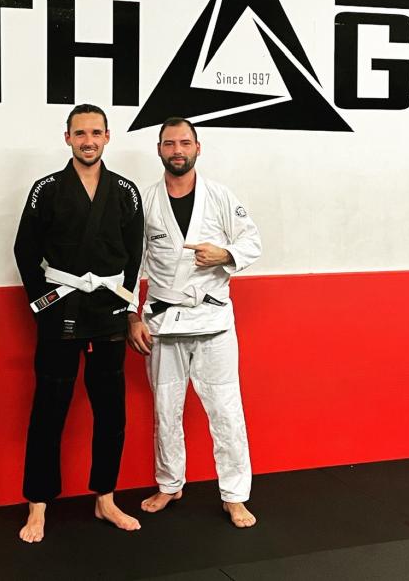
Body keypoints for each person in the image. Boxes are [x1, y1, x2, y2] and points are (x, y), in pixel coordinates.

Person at [14, 104, 144, 543]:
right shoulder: (47, 189)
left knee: (111, 410)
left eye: (95, 133)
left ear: (107, 137)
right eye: (80, 133)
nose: (88, 141)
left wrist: (128, 306)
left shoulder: (124, 191)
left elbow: (134, 255)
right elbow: (25, 250)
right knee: (49, 408)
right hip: (62, 308)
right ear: (67, 137)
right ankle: (38, 504)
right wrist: (43, 303)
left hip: (108, 309)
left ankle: (105, 497)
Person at [127, 117, 261, 528]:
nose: (178, 150)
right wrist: (132, 314)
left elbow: (252, 241)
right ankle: (170, 484)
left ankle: (235, 495)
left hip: (213, 318)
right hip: (163, 320)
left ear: (197, 148)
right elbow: (130, 263)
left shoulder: (220, 196)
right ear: (159, 149)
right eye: (170, 144)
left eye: (185, 143)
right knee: (166, 409)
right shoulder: (145, 201)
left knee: (226, 409)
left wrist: (225, 255)